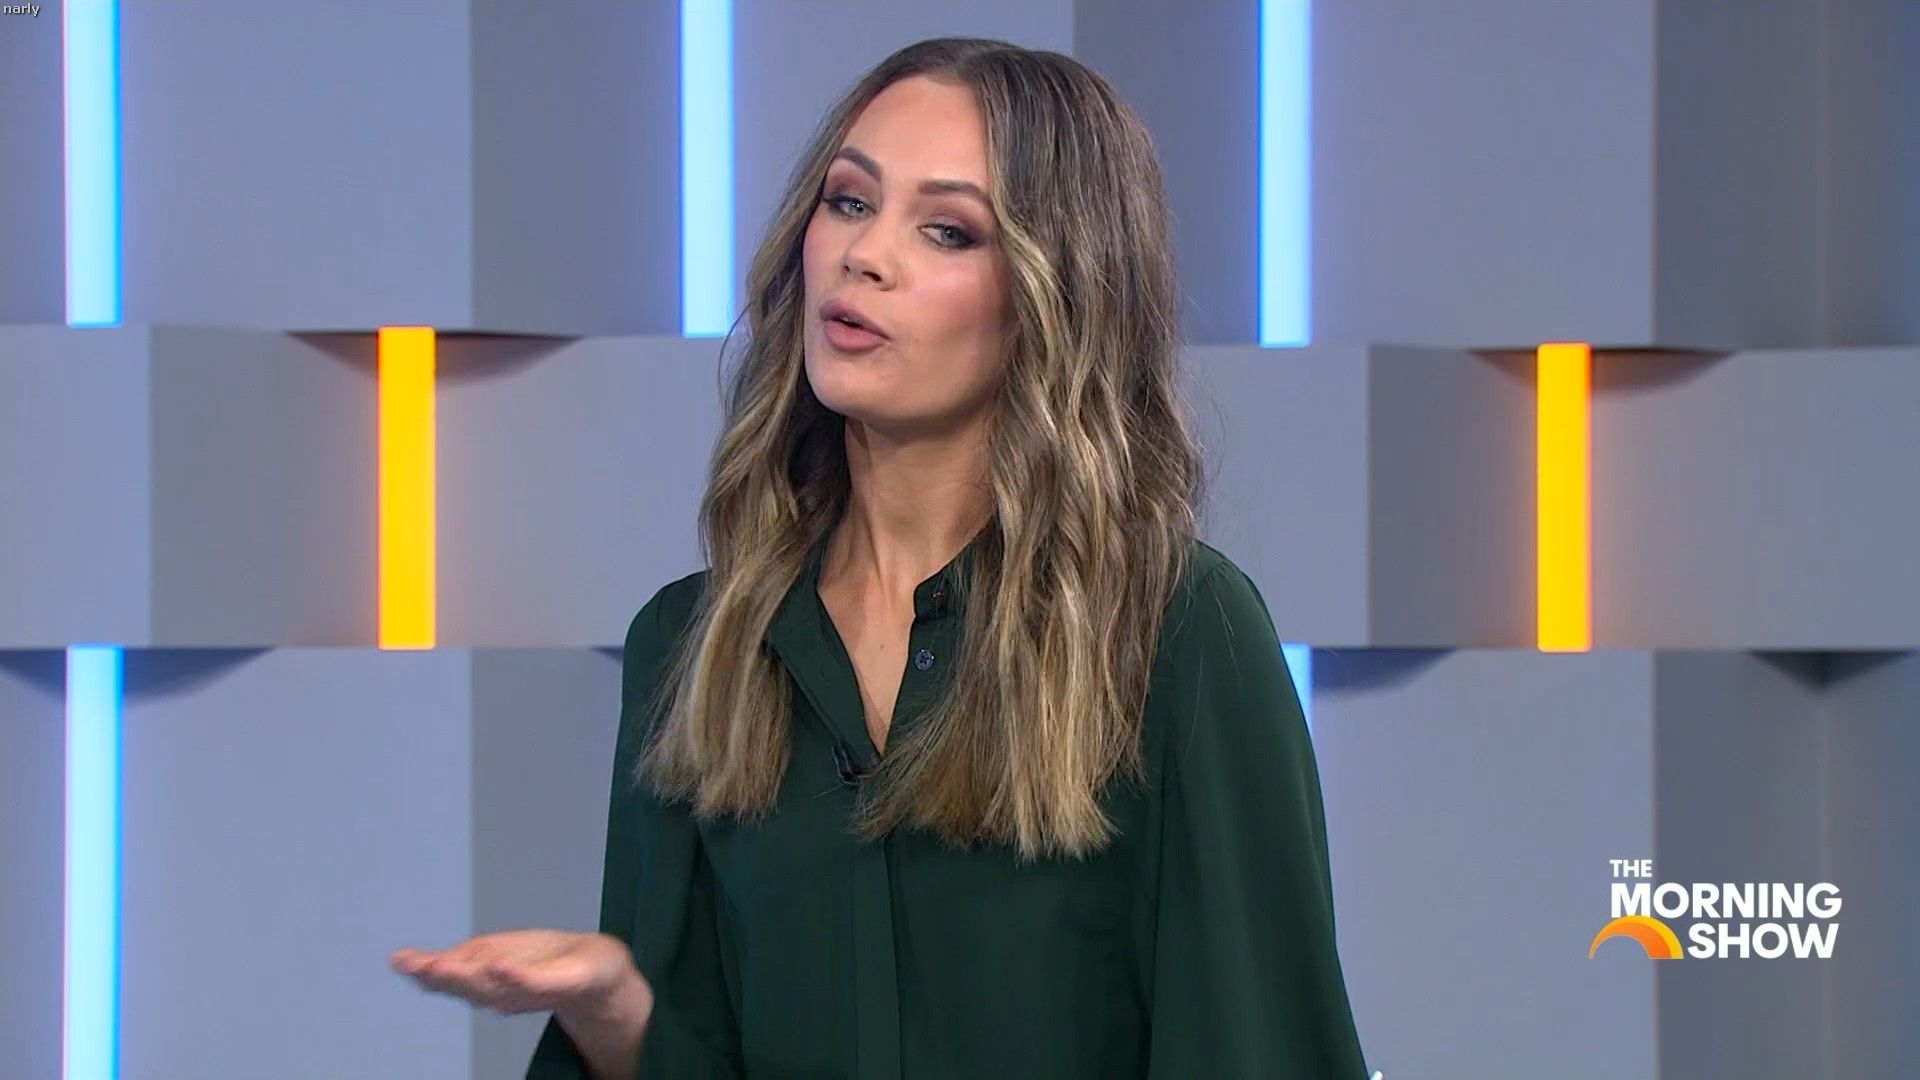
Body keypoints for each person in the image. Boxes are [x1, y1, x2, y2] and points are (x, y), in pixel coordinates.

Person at [389, 35, 1371, 1079]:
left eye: (947, 230)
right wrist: (619, 1013)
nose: (864, 255)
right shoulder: (691, 643)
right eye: (849, 201)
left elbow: (1262, 1050)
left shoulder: (1178, 632)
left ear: (1056, 295)